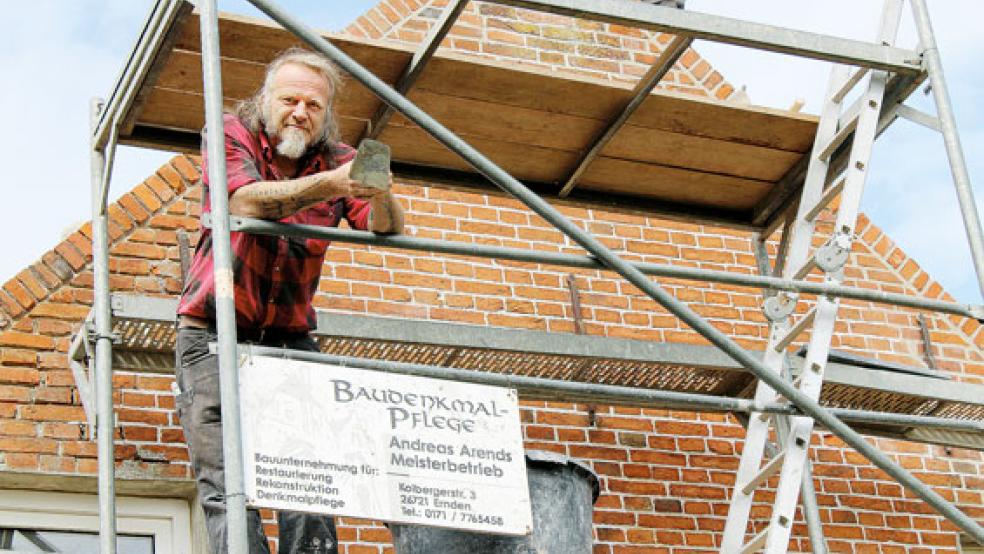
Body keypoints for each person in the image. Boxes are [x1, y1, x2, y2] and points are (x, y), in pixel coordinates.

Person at [174, 47, 404, 553]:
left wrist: (380, 191)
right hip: (212, 332)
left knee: (310, 478)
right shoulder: (232, 133)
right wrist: (332, 185)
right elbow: (243, 200)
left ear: (327, 115)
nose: (300, 112)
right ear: (266, 100)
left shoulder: (340, 159)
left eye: (314, 105)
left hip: (290, 338)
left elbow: (383, 228)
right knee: (227, 482)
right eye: (290, 99)